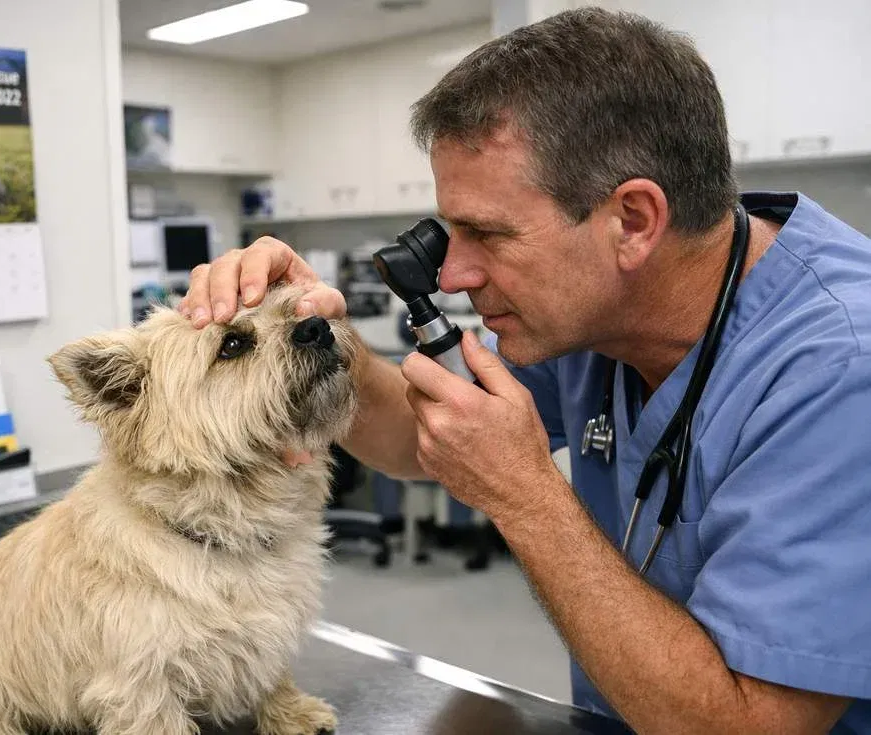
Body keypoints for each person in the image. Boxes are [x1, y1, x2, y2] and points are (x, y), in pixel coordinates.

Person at [178, 7, 871, 733]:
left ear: (633, 220)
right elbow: (418, 435)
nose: (452, 271)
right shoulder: (591, 315)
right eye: (452, 230)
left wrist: (527, 497)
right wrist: (319, 340)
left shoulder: (839, 368)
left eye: (486, 233)